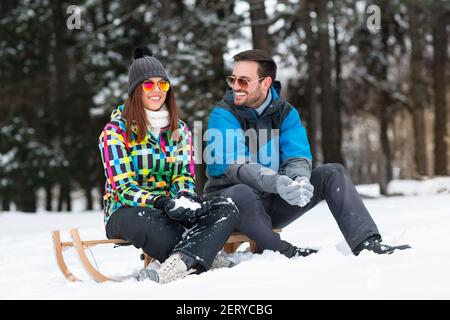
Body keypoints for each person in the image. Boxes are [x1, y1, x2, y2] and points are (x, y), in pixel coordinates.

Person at [204, 49, 410, 258]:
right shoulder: (223, 114)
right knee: (242, 192)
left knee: (333, 173)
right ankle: (285, 252)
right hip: (230, 204)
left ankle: (366, 243)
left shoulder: (286, 113)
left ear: (265, 83)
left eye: (244, 81)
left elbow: (297, 156)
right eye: (233, 80)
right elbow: (237, 166)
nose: (236, 87)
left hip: (271, 201)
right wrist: (276, 181)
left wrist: (298, 179)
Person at [98, 46, 239, 284]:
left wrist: (184, 197)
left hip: (171, 210)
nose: (157, 90)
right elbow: (123, 188)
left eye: (162, 84)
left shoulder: (179, 129)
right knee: (151, 219)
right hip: (127, 211)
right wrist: (162, 202)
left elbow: (183, 174)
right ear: (135, 90)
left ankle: (180, 264)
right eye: (148, 85)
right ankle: (208, 258)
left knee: (226, 207)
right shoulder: (115, 132)